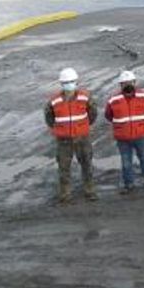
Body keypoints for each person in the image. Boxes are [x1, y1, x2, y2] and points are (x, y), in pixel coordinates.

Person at [45, 67, 97, 202]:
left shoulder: (85, 97)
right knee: (64, 168)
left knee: (87, 165)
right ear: (62, 84)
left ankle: (90, 191)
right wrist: (59, 129)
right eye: (66, 82)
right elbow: (49, 117)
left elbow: (92, 114)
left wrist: (83, 127)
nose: (69, 85)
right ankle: (65, 195)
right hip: (63, 140)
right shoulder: (54, 101)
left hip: (82, 138)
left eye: (72, 81)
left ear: (76, 82)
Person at [105, 70, 144, 193]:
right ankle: (129, 185)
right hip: (123, 138)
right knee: (126, 162)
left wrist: (140, 124)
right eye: (124, 83)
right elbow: (109, 115)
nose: (128, 85)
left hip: (141, 135)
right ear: (121, 85)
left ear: (134, 82)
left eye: (130, 82)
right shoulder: (114, 99)